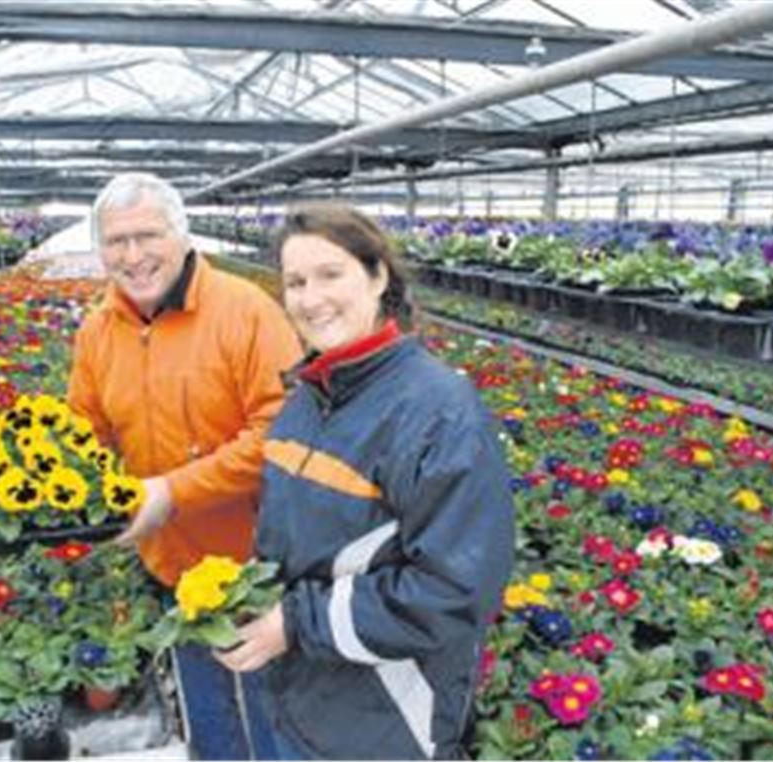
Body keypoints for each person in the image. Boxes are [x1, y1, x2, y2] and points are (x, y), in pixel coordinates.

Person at [215, 203, 514, 759]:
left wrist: (297, 622)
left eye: (331, 275)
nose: (310, 298)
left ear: (378, 278)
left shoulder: (439, 412)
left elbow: (455, 591)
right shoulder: (306, 398)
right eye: (296, 282)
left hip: (384, 724)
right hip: (300, 696)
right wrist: (245, 595)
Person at [67, 172, 302, 760]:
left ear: (182, 233)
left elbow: (282, 432)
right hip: (168, 559)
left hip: (256, 560)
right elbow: (82, 433)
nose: (134, 256)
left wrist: (170, 492)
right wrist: (56, 494)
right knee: (205, 700)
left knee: (274, 707)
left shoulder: (245, 311)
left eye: (148, 236)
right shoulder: (99, 331)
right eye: (116, 242)